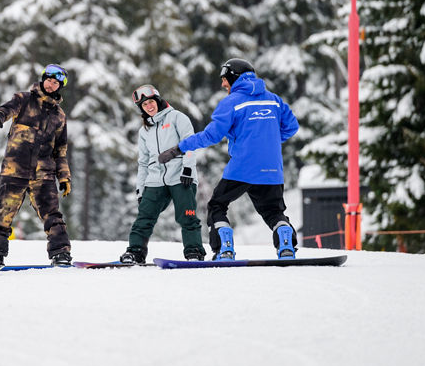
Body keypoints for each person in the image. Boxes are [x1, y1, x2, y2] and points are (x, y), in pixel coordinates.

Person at [158, 58, 299, 259]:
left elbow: (211, 136)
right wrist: (267, 141)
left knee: (217, 205)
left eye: (225, 79)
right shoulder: (274, 100)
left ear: (234, 77)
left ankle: (225, 248)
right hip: (272, 169)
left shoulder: (231, 103)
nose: (223, 84)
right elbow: (292, 127)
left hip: (242, 166)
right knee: (273, 211)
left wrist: (179, 148)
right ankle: (286, 246)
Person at [0, 64, 73, 266]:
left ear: (60, 87)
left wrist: (64, 176)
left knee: (53, 216)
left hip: (44, 174)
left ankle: (61, 254)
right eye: (49, 80)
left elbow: (60, 150)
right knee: (3, 216)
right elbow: (7, 108)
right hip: (15, 170)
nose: (51, 84)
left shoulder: (59, 116)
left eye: (56, 82)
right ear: (43, 79)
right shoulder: (24, 100)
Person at [119, 85, 206, 264]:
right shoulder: (145, 130)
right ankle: (135, 252)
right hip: (155, 180)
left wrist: (188, 168)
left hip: (181, 176)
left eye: (151, 102)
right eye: (144, 105)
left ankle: (194, 252)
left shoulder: (177, 117)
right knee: (144, 217)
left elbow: (190, 143)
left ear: (157, 100)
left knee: (187, 216)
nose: (149, 107)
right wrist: (140, 189)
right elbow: (143, 162)